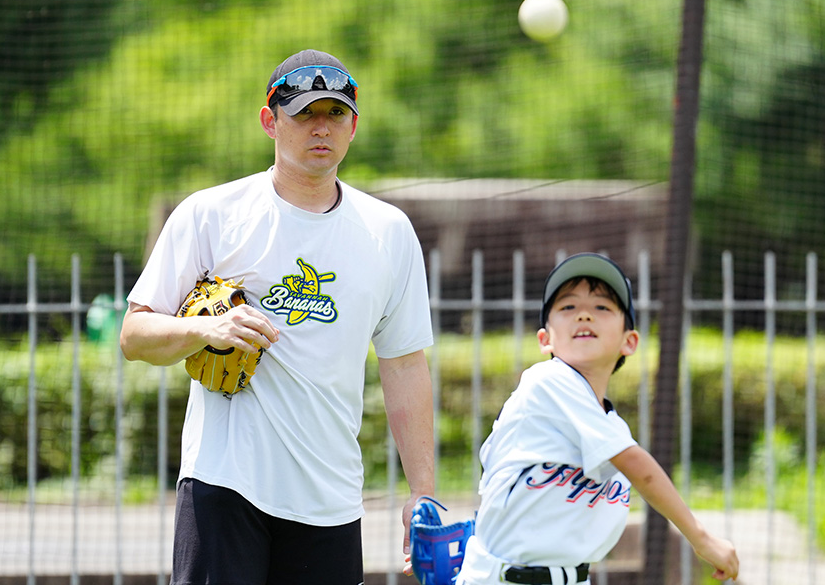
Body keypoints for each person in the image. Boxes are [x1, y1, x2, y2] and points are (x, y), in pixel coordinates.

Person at [120, 49, 435, 585]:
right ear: (270, 120)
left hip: (330, 496)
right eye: (304, 112)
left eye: (335, 114)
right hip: (224, 486)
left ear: (353, 126)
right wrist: (202, 329)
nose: (321, 127)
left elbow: (404, 364)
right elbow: (134, 334)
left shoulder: (389, 231)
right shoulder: (211, 214)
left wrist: (423, 494)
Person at [452, 253, 739, 584]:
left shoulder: (611, 426)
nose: (585, 314)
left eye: (602, 307)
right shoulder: (547, 381)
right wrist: (701, 538)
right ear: (545, 339)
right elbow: (639, 467)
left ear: (629, 341)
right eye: (567, 307)